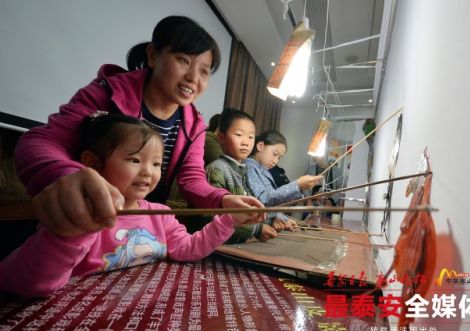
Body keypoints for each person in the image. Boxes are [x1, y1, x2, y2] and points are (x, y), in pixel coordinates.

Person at [14, 16, 263, 238]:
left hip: (142, 227)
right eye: (183, 60)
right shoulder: (107, 93)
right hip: (88, 223)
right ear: (153, 55)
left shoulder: (194, 125)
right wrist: (66, 175)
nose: (193, 78)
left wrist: (224, 200)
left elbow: (191, 179)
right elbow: (42, 142)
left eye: (205, 71)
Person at [0, 114, 256, 298]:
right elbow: (26, 281)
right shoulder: (80, 216)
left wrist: (228, 219)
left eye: (156, 164)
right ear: (93, 163)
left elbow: (188, 249)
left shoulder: (160, 215)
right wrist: (67, 234)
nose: (148, 172)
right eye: (135, 159)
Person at [206, 108, 279, 243]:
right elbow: (214, 217)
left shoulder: (242, 170)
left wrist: (268, 220)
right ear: (221, 137)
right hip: (217, 245)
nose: (246, 142)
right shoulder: (217, 169)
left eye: (250, 137)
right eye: (239, 134)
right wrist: (255, 230)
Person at [246, 130, 323, 207]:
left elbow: (272, 205)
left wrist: (284, 219)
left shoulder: (263, 170)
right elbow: (263, 200)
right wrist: (297, 185)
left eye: (279, 158)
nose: (276, 161)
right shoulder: (250, 166)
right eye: (274, 154)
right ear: (260, 146)